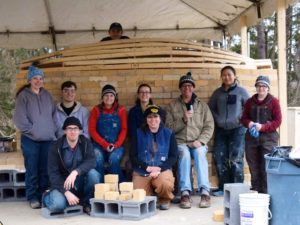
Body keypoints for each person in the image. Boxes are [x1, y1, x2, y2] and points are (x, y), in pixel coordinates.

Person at [166, 72, 214, 209]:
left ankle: (205, 191)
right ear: (180, 89)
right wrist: (183, 119)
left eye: (190, 86)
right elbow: (168, 128)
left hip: (198, 141)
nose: (187, 88)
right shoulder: (172, 106)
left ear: (193, 88)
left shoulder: (202, 106)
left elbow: (209, 126)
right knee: (185, 155)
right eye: (184, 86)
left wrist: (201, 140)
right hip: (180, 142)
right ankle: (185, 192)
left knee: (199, 153)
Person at [13, 65, 57, 209]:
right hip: (30, 140)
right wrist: (34, 131)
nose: (38, 81)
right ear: (30, 80)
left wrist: (53, 130)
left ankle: (43, 196)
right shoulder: (23, 96)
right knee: (32, 169)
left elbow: (54, 115)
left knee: (45, 170)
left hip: (47, 140)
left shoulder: (47, 95)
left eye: (40, 78)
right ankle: (32, 197)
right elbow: (20, 119)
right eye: (35, 78)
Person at [44, 117, 99, 215]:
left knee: (94, 175)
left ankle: (86, 203)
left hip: (79, 182)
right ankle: (47, 197)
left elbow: (92, 161)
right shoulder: (55, 147)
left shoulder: (86, 143)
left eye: (75, 128)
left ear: (80, 131)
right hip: (61, 184)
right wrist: (66, 192)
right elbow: (53, 174)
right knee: (58, 205)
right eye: (69, 128)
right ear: (65, 131)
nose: (73, 131)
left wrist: (76, 172)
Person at [208, 66, 249, 196]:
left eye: (229, 74)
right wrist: (218, 119)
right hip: (221, 131)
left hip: (238, 130)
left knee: (236, 159)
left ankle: (237, 189)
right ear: (221, 77)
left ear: (234, 76)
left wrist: (240, 119)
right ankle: (223, 188)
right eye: (224, 75)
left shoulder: (241, 92)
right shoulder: (217, 93)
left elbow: (248, 108)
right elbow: (210, 109)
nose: (227, 77)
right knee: (220, 158)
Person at [130, 105, 178, 210]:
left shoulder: (168, 133)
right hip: (142, 171)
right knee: (139, 198)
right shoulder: (138, 133)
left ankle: (164, 198)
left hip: (162, 169)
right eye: (149, 117)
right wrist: (147, 168)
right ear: (146, 119)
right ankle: (150, 195)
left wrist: (160, 168)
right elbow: (133, 156)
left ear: (160, 119)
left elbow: (174, 156)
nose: (153, 120)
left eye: (156, 116)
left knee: (165, 183)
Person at [241, 75, 282, 193]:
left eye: (264, 86)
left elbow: (278, 121)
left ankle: (266, 195)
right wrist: (249, 124)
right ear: (256, 87)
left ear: (268, 88)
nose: (261, 88)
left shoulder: (274, 102)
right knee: (253, 167)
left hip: (269, 139)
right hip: (252, 140)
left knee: (266, 168)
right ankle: (256, 193)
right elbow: (243, 118)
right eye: (259, 85)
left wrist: (263, 127)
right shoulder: (250, 102)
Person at [89, 84, 127, 182]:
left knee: (113, 159)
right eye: (106, 95)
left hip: (116, 145)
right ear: (102, 97)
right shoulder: (96, 110)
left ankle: (121, 187)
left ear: (115, 97)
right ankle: (100, 188)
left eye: (111, 95)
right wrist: (104, 144)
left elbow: (124, 129)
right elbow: (92, 130)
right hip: (99, 145)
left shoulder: (121, 110)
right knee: (98, 158)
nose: (109, 98)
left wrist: (117, 144)